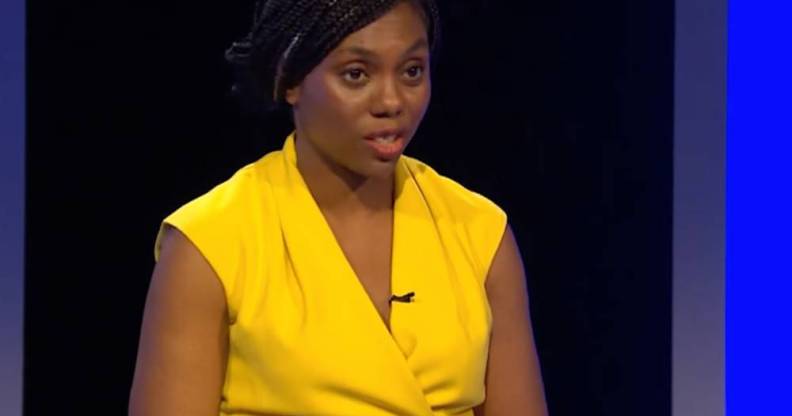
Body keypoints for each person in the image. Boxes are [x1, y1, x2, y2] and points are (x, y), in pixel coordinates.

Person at [129, 0, 547, 414]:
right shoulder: (210, 244)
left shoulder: (479, 232)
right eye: (356, 75)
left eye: (412, 71)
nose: (392, 101)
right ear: (288, 79)